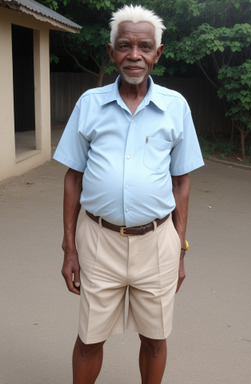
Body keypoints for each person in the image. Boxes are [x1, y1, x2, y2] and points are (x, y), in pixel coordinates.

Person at [54, 4, 204, 383]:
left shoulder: (175, 108)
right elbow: (73, 177)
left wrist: (178, 247)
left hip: (156, 243)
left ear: (157, 53)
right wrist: (70, 247)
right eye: (124, 46)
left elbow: (181, 181)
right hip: (98, 241)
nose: (134, 55)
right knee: (89, 339)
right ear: (111, 52)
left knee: (155, 338)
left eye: (144, 47)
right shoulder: (89, 104)